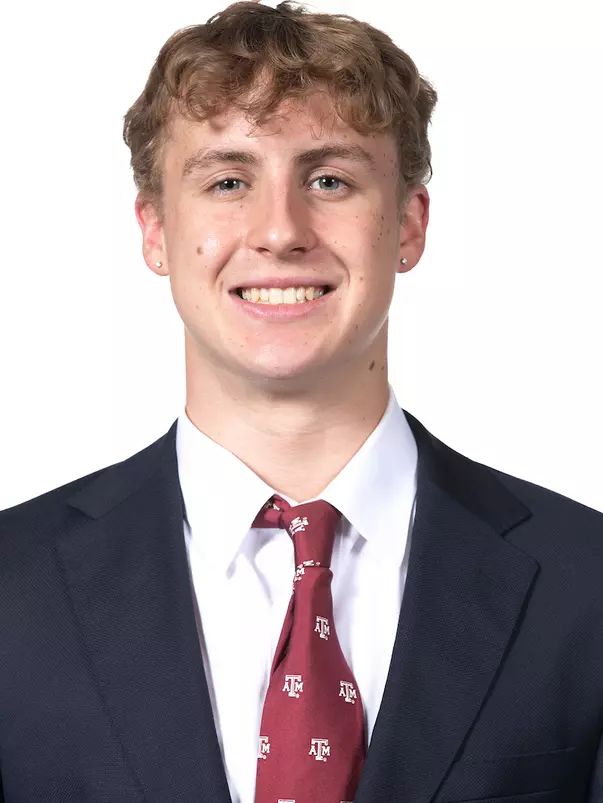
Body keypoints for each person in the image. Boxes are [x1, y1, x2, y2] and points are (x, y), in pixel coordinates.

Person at [0, 1, 602, 800]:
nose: (279, 230)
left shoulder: (584, 584)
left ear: (407, 226)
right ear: (154, 229)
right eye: (226, 179)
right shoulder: (14, 587)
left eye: (329, 179)